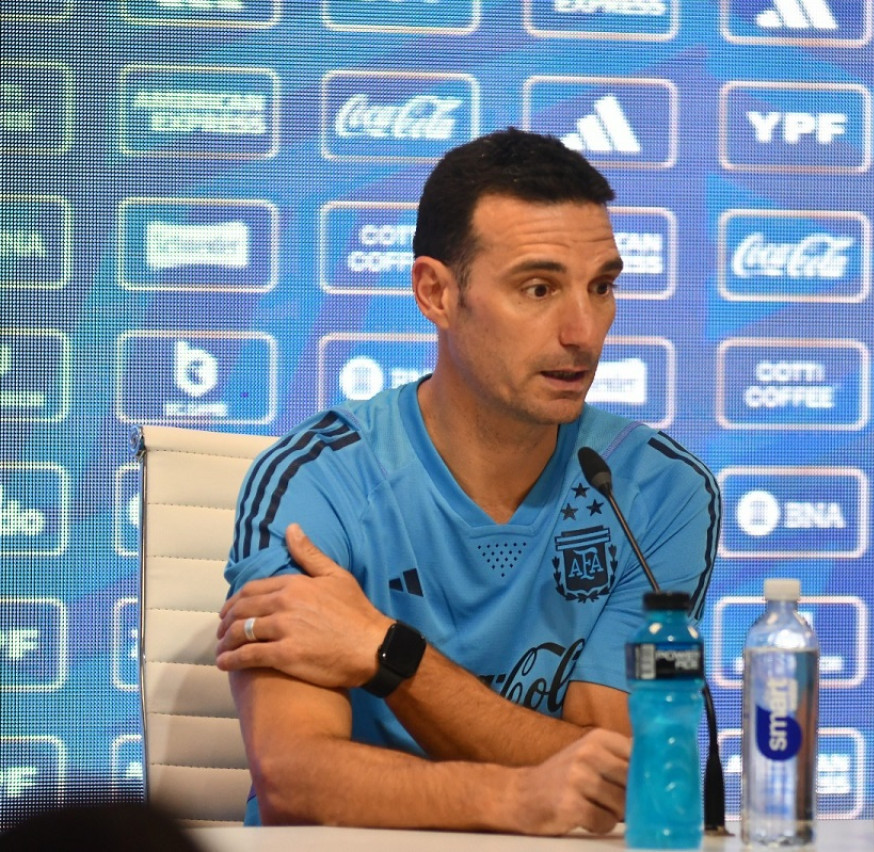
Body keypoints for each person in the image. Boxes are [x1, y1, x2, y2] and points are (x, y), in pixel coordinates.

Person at [215, 128, 719, 835]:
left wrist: (388, 653)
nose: (583, 331)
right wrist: (519, 799)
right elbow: (294, 779)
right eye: (538, 288)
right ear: (436, 293)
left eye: (601, 287)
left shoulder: (657, 491)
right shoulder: (315, 482)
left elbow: (621, 779)